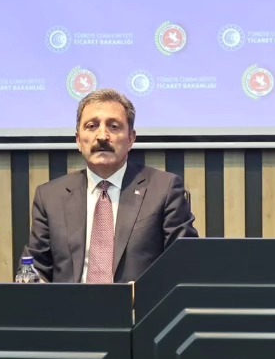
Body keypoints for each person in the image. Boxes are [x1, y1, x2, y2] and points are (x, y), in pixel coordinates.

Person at [24, 89, 197, 282]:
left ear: (131, 139)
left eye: (114, 127)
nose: (102, 136)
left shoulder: (163, 189)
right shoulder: (50, 197)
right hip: (70, 301)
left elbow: (185, 264)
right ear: (78, 140)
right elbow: (33, 269)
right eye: (91, 126)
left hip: (140, 301)